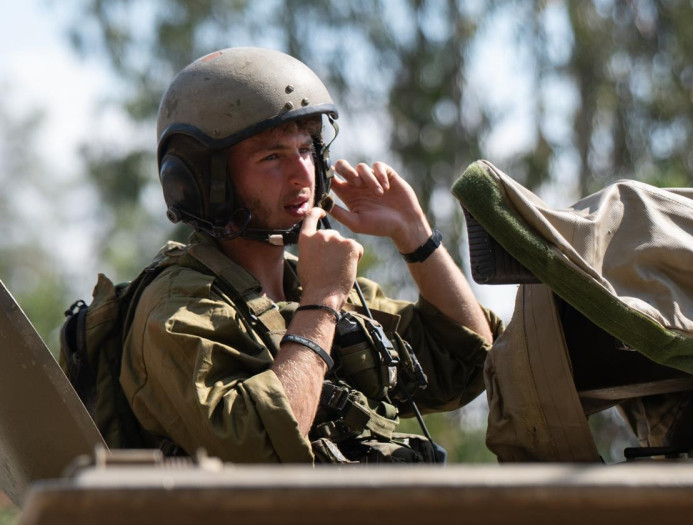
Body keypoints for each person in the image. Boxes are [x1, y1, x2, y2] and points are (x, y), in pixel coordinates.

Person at [120, 47, 501, 463]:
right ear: (203, 182)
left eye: (306, 150)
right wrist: (322, 304)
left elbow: (467, 362)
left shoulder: (315, 282)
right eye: (273, 156)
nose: (303, 173)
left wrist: (416, 237)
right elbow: (259, 450)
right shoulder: (178, 309)